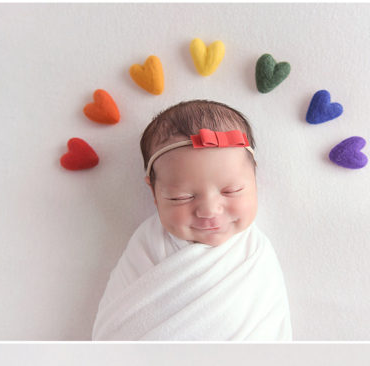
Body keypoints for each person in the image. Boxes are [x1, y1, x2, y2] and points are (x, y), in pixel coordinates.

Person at [92, 100, 291, 341]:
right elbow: (119, 326)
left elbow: (268, 324)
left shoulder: (255, 254)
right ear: (154, 193)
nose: (208, 210)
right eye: (181, 197)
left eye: (231, 190)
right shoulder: (148, 244)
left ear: (254, 179)